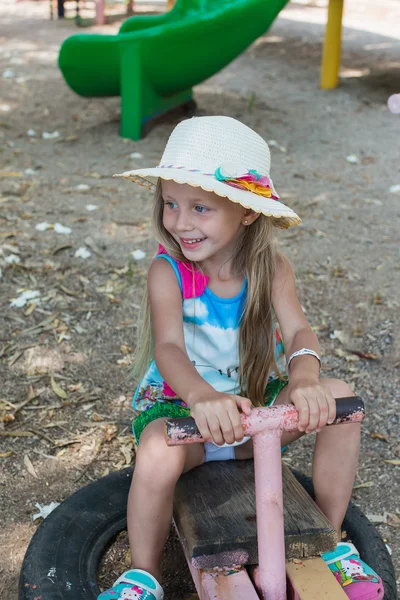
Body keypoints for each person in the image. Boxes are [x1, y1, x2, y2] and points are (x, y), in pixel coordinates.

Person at [99, 116, 383, 600]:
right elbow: (167, 347)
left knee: (339, 402)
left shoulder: (271, 268)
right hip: (186, 414)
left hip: (254, 416)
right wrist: (202, 397)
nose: (180, 222)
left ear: (247, 212)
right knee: (154, 453)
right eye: (170, 204)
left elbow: (298, 331)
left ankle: (329, 543)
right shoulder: (168, 272)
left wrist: (308, 376)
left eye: (200, 208)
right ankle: (143, 574)